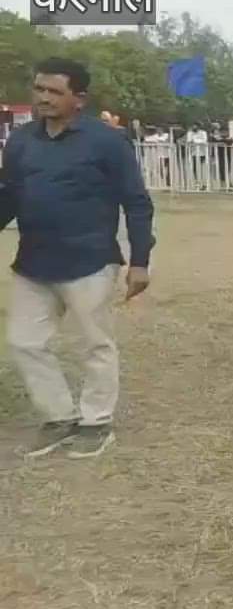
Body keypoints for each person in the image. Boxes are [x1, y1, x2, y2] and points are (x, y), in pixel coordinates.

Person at [0, 57, 155, 459]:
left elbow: (136, 202)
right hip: (33, 262)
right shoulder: (21, 142)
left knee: (95, 344)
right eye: (39, 89)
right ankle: (59, 418)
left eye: (54, 91)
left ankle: (96, 421)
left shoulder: (107, 142)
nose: (43, 98)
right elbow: (9, 196)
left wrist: (140, 260)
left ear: (79, 98)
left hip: (90, 259)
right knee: (24, 341)